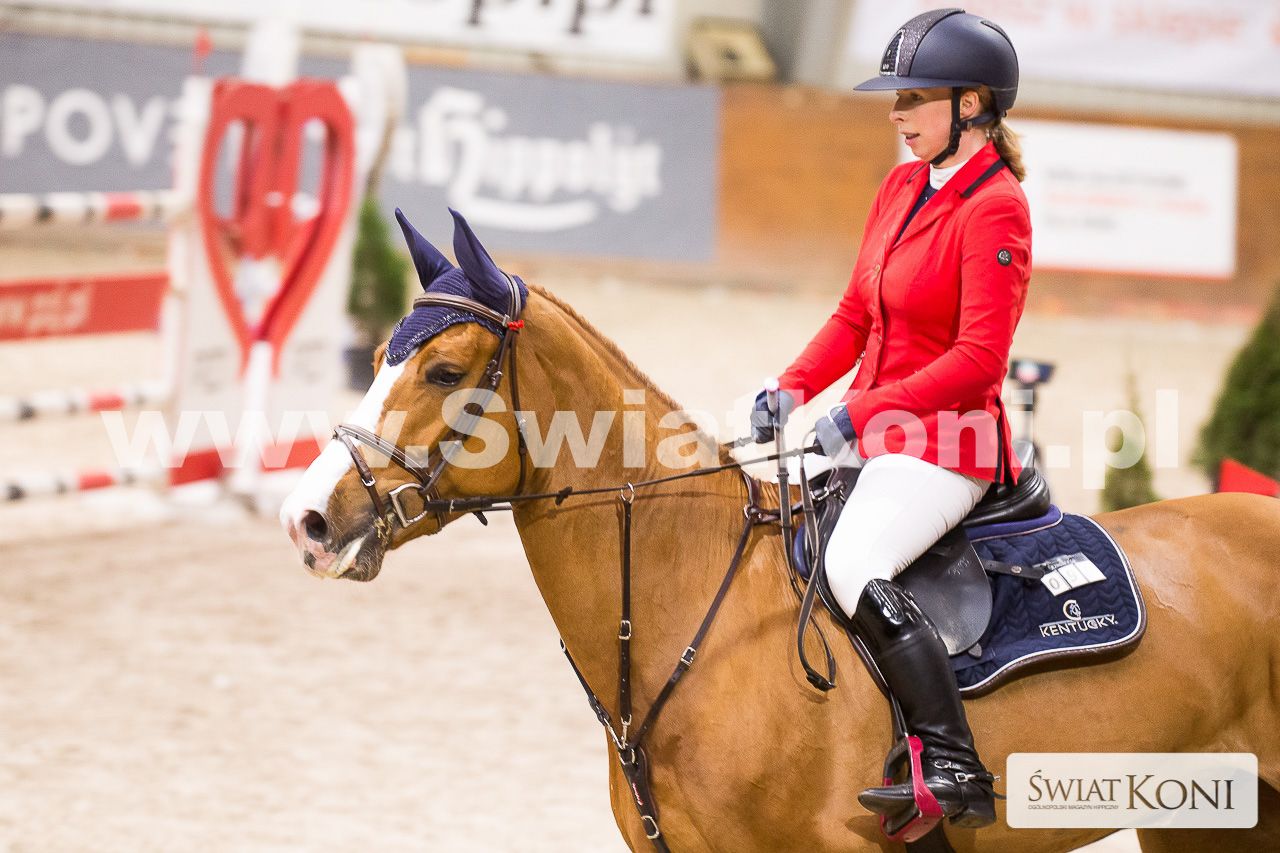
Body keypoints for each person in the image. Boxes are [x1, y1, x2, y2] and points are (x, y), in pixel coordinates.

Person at [750, 8, 1031, 830]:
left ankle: (952, 761)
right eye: (896, 98)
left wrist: (861, 410)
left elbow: (979, 359)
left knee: (853, 560)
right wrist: (792, 386)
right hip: (877, 431)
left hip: (949, 443)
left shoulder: (997, 207)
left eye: (913, 98)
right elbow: (854, 314)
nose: (896, 113)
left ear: (971, 105)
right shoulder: (902, 186)